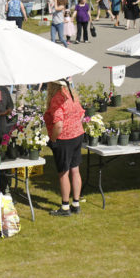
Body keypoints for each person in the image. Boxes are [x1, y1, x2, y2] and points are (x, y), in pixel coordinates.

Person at [44, 80, 85, 216]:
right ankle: (76, 203)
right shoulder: (71, 94)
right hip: (77, 134)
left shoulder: (57, 99)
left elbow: (59, 124)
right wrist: (74, 124)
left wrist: (53, 139)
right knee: (75, 169)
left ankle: (65, 207)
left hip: (65, 139)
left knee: (63, 172)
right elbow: (82, 113)